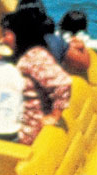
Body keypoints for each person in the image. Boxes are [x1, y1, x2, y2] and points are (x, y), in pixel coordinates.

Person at [5, 8, 73, 145]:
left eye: (6, 34)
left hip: (28, 128)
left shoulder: (35, 56)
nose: (2, 39)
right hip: (17, 121)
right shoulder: (20, 56)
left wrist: (55, 115)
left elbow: (63, 83)